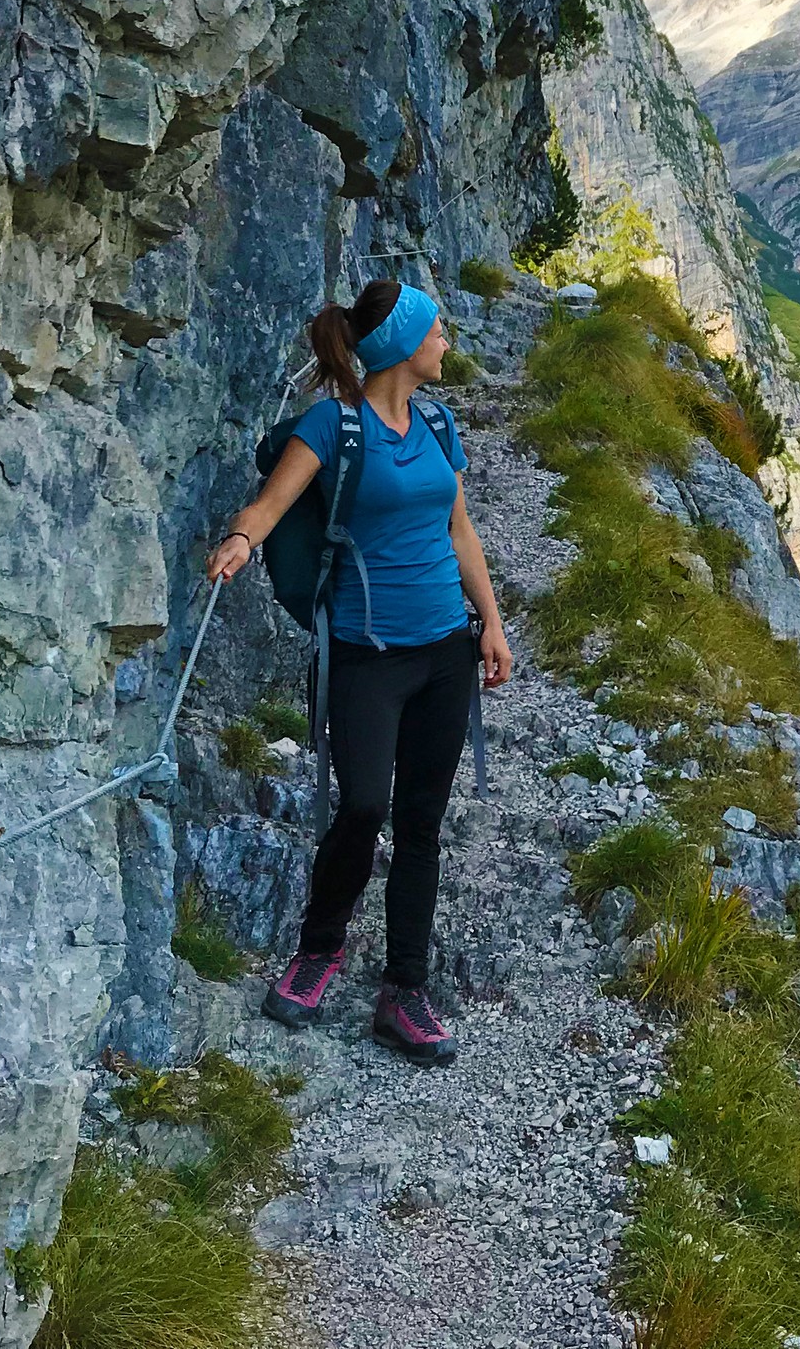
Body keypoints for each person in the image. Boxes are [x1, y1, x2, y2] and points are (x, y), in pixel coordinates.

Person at [205, 278, 516, 1066]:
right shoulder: (335, 427)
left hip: (446, 651)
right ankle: (319, 950)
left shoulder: (439, 424)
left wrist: (492, 624)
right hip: (365, 657)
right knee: (364, 806)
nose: (447, 343)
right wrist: (241, 540)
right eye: (437, 331)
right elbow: (272, 504)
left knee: (420, 822)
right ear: (403, 345)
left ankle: (403, 992)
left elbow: (460, 532)